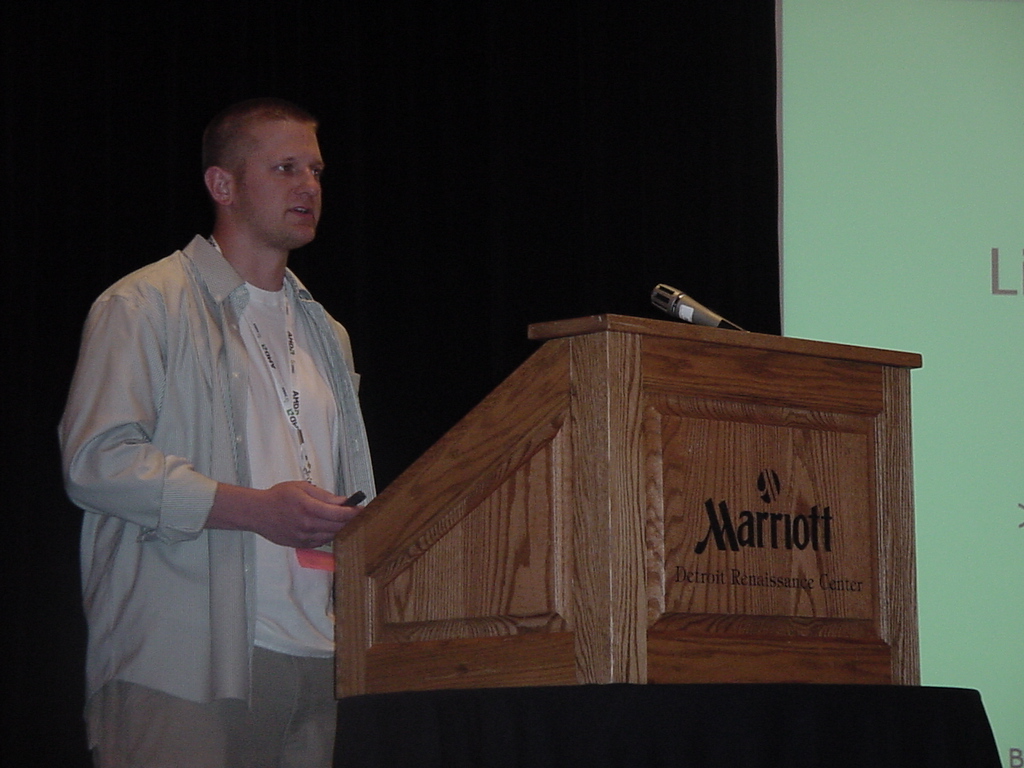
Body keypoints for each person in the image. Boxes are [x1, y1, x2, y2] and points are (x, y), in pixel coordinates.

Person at [59, 98, 375, 768]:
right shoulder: (144, 304)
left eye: (316, 170)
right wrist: (254, 510)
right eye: (285, 168)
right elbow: (96, 462)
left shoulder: (328, 333)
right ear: (222, 185)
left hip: (319, 654)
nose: (309, 185)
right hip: (184, 662)